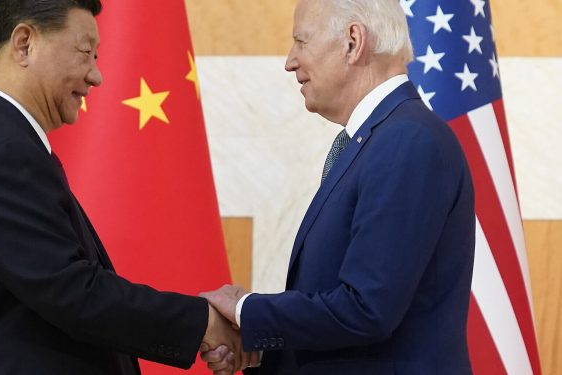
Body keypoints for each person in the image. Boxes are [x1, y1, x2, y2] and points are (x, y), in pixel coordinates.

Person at [0, 1, 247, 374]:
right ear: (24, 43)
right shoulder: (0, 151)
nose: (96, 76)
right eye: (85, 53)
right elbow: (73, 293)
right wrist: (201, 322)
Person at [201, 0, 476, 373]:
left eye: (301, 41)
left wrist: (244, 309)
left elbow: (368, 308)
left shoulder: (407, 140)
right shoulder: (379, 138)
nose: (290, 61)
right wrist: (264, 348)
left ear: (352, 41)